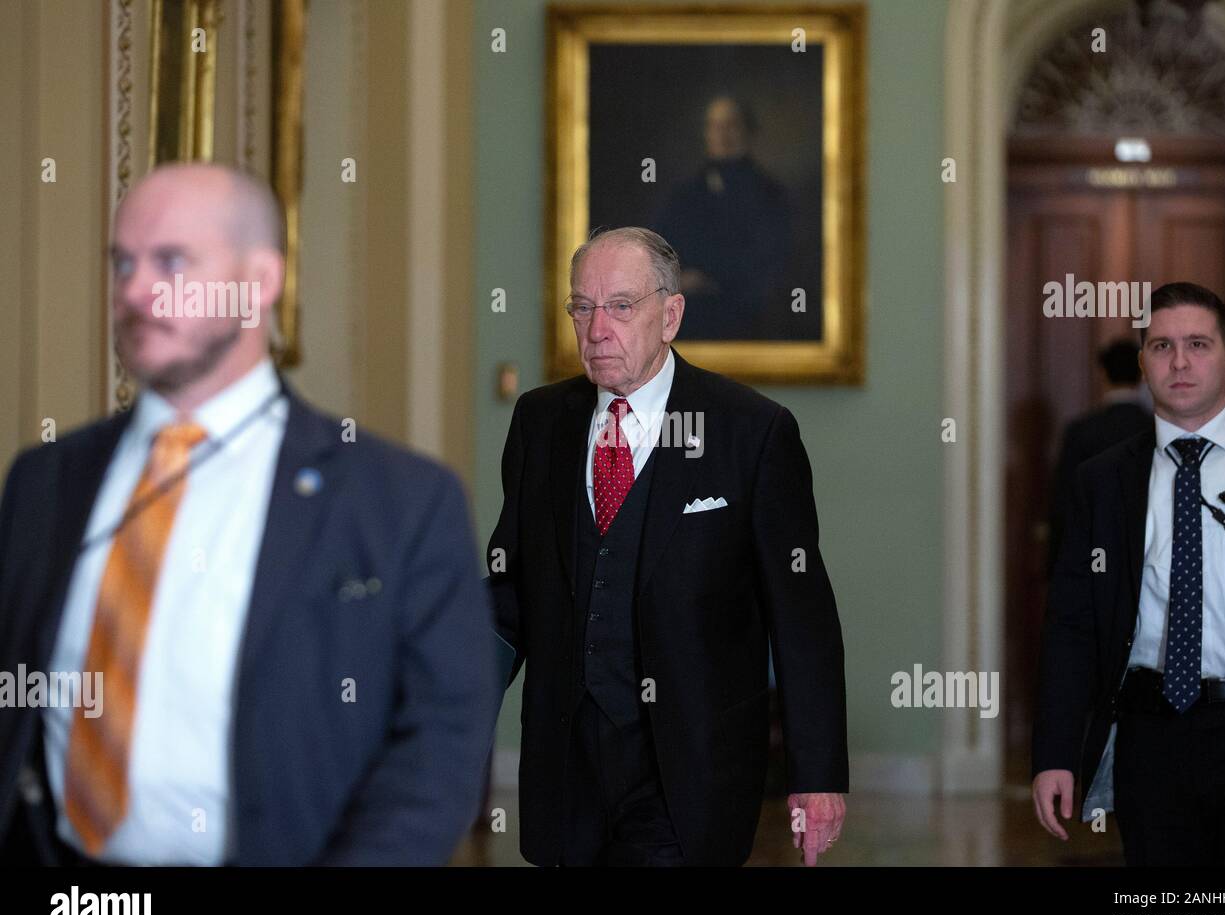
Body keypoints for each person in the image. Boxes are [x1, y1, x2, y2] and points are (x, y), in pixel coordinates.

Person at [0, 163, 500, 866]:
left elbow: (444, 742)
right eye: (123, 263)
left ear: (260, 281)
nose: (136, 291)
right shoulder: (45, 479)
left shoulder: (398, 502)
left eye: (172, 261)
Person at [487, 226, 848, 866]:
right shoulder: (542, 422)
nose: (597, 329)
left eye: (621, 306)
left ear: (670, 315)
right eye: (582, 306)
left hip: (691, 771)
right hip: (567, 767)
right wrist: (446, 709)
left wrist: (816, 775)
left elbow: (802, 619)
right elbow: (510, 591)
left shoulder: (751, 431)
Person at [1032, 281, 1225, 864]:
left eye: (1198, 344)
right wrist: (1055, 753)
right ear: (1143, 363)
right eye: (1161, 347)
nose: (1179, 361)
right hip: (1149, 737)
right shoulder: (1102, 480)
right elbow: (1071, 625)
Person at [652, 96, 795, 341]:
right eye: (715, 126)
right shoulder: (684, 195)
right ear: (707, 134)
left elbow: (773, 262)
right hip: (691, 318)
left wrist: (712, 279)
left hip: (749, 316)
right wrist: (679, 279)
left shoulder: (771, 195)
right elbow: (659, 254)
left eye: (731, 125)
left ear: (749, 132)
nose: (723, 134)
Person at [1046, 339, 1151, 570]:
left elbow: (1065, 499)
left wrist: (1054, 561)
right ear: (1142, 374)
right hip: (1148, 553)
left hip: (1090, 550)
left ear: (1102, 374)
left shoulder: (1081, 430)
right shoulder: (1156, 428)